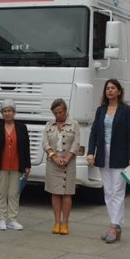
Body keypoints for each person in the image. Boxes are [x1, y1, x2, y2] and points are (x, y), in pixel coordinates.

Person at [87, 79, 130, 244]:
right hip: (103, 154)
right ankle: (115, 226)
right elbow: (94, 132)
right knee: (108, 192)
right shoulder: (101, 110)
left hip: (120, 155)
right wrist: (90, 153)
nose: (110, 91)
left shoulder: (126, 110)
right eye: (107, 88)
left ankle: (114, 226)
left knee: (117, 190)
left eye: (113, 88)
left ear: (119, 92)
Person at [0, 99, 31, 231]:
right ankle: (2, 219)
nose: (7, 113)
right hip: (0, 165)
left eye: (10, 111)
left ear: (14, 112)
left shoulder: (21, 127)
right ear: (2, 113)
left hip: (16, 164)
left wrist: (27, 165)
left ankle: (12, 219)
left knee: (14, 193)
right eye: (5, 111)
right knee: (1, 193)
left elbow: (26, 147)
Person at [42, 98, 80, 236]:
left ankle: (65, 223)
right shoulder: (49, 125)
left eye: (60, 112)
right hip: (53, 163)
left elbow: (76, 143)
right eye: (55, 113)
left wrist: (67, 158)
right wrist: (54, 157)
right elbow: (45, 143)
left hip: (68, 163)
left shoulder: (74, 124)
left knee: (67, 193)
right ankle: (56, 222)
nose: (58, 115)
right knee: (55, 193)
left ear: (65, 110)